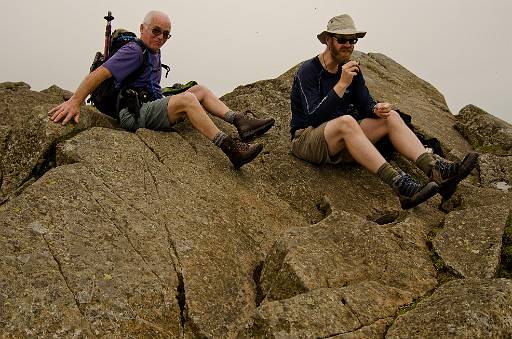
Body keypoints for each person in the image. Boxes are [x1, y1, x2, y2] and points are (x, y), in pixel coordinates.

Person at [289, 14, 478, 209]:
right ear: (328, 40)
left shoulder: (353, 69)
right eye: (342, 40)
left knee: (391, 117)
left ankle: (436, 171)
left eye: (352, 40)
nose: (348, 45)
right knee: (346, 122)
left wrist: (376, 109)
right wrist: (342, 84)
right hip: (307, 139)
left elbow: (365, 103)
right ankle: (400, 185)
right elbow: (314, 116)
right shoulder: (309, 71)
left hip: (344, 140)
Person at [48, 10, 275, 169]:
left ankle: (240, 122)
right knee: (187, 100)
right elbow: (99, 73)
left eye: (166, 34)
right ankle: (230, 148)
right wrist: (75, 101)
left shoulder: (153, 51)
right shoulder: (134, 51)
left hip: (149, 103)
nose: (161, 38)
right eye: (156, 31)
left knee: (199, 90)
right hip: (133, 113)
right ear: (142, 28)